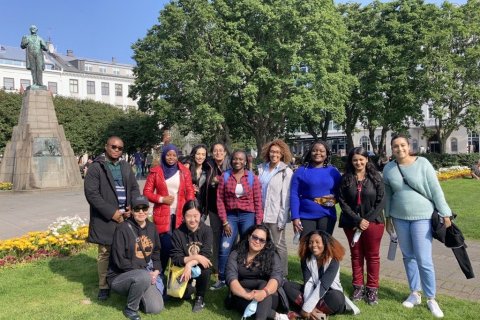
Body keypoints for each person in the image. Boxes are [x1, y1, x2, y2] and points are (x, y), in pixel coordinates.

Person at [383, 134, 452, 318]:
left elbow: (435, 188)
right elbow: (388, 196)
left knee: (424, 258)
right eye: (395, 146)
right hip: (399, 217)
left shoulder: (423, 163)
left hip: (422, 216)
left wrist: (445, 212)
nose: (400, 149)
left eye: (403, 145)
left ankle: (431, 298)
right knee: (408, 256)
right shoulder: (389, 169)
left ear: (408, 145)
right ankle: (415, 293)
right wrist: (387, 218)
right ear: (392, 148)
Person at [84, 136, 140, 301]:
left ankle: (123, 280)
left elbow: (134, 188)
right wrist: (112, 212)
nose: (116, 150)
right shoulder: (96, 167)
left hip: (126, 217)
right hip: (106, 218)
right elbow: (92, 194)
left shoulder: (125, 166)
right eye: (113, 147)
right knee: (105, 253)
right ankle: (104, 286)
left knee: (125, 250)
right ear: (106, 146)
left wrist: (133, 206)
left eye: (120, 148)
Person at [338, 147, 385, 305]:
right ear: (351, 161)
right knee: (356, 255)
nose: (358, 162)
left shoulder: (376, 177)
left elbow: (381, 201)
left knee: (372, 256)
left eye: (361, 159)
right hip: (351, 223)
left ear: (366, 160)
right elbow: (342, 202)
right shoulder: (346, 179)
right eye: (355, 160)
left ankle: (372, 289)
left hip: (373, 223)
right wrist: (357, 220)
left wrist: (366, 220)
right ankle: (358, 287)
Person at [212, 149, 264, 290]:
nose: (238, 162)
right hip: (230, 217)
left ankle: (244, 276)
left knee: (247, 247)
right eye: (235, 159)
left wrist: (258, 223)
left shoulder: (252, 177)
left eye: (241, 159)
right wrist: (224, 221)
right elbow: (220, 200)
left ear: (245, 161)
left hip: (248, 215)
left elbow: (258, 201)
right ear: (231, 160)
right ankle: (222, 279)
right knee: (225, 247)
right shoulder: (225, 176)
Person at [107, 195, 163, 320]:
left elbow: (156, 252)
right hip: (120, 276)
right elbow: (119, 260)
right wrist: (143, 272)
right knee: (142, 276)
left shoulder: (152, 228)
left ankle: (138, 292)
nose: (141, 212)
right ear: (131, 211)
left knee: (155, 308)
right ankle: (131, 309)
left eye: (144, 208)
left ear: (148, 209)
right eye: (137, 209)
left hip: (145, 274)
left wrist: (156, 271)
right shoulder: (122, 228)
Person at [143, 144, 195, 273]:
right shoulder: (156, 171)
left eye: (174, 155)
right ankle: (159, 275)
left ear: (178, 156)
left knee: (179, 246)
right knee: (165, 247)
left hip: (180, 214)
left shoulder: (184, 171)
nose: (171, 158)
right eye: (168, 155)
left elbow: (189, 191)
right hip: (163, 214)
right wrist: (162, 199)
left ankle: (176, 279)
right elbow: (146, 192)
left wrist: (190, 208)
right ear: (163, 155)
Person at [225, 224, 289, 320]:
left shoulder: (272, 256)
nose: (257, 241)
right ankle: (276, 316)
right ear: (248, 237)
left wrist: (263, 292)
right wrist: (246, 295)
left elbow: (276, 277)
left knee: (264, 283)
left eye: (262, 240)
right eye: (255, 237)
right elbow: (231, 278)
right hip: (242, 293)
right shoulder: (236, 254)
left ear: (265, 243)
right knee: (240, 299)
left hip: (269, 294)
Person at [283, 231, 347, 319]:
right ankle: (313, 313)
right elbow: (308, 284)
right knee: (287, 285)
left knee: (337, 297)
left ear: (325, 244)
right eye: (310, 242)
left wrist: (306, 309)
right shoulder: (306, 259)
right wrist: (308, 308)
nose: (313, 245)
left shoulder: (334, 260)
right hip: (313, 292)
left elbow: (323, 286)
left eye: (317, 242)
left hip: (329, 294)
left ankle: (304, 313)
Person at [290, 140, 342, 237]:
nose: (318, 153)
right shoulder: (301, 171)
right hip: (305, 215)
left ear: (327, 154)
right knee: (308, 248)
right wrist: (295, 217)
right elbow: (294, 195)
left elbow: (341, 193)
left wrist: (334, 199)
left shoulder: (333, 172)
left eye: (322, 151)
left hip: (327, 215)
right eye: (315, 150)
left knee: (324, 246)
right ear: (310, 153)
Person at [258, 139, 294, 277]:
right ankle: (266, 270)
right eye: (272, 151)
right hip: (261, 214)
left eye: (278, 152)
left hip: (275, 215)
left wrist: (282, 219)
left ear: (282, 154)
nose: (274, 154)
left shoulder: (286, 171)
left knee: (279, 245)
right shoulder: (262, 168)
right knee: (262, 243)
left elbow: (286, 198)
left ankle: (283, 275)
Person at [170, 200, 213, 312]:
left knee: (206, 266)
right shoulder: (177, 233)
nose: (192, 220)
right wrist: (196, 258)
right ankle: (191, 288)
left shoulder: (207, 230)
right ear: (183, 216)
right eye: (188, 216)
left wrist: (190, 263)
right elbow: (176, 258)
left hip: (197, 266)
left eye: (195, 216)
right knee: (181, 296)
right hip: (182, 268)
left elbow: (206, 254)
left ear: (201, 215)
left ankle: (200, 297)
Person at [206, 142, 231, 284]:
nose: (218, 153)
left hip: (229, 209)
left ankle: (229, 267)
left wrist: (220, 180)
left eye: (221, 150)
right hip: (213, 208)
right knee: (216, 237)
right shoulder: (209, 165)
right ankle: (215, 267)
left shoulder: (231, 165)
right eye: (215, 151)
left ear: (225, 152)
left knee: (230, 238)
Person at [189, 144, 213, 220]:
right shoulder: (187, 169)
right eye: (198, 154)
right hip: (188, 205)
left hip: (202, 207)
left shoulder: (208, 170)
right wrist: (189, 188)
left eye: (203, 154)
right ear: (193, 154)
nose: (200, 157)